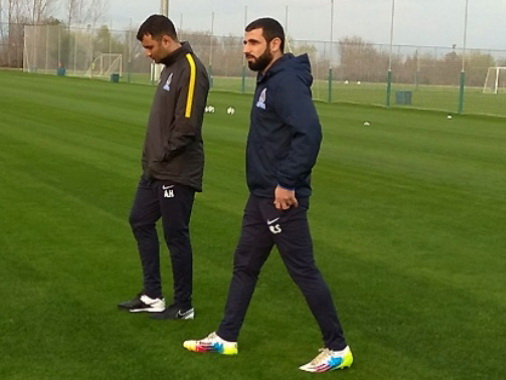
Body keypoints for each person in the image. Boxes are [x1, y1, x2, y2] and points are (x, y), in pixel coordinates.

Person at [183, 18, 353, 373]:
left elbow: (310, 133)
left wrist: (287, 183)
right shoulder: (269, 80)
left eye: (254, 43)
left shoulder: (286, 82)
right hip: (260, 195)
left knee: (303, 270)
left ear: (275, 45)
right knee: (244, 265)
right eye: (244, 43)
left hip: (280, 198)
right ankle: (226, 338)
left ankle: (338, 348)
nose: (246, 49)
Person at [118, 15, 209, 320]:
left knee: (175, 235)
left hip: (177, 170)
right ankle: (152, 295)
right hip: (156, 170)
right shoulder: (170, 69)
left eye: (149, 46)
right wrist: (151, 162)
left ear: (166, 40)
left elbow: (187, 127)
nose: (147, 53)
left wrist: (161, 157)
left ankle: (184, 305)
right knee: (139, 220)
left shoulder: (191, 69)